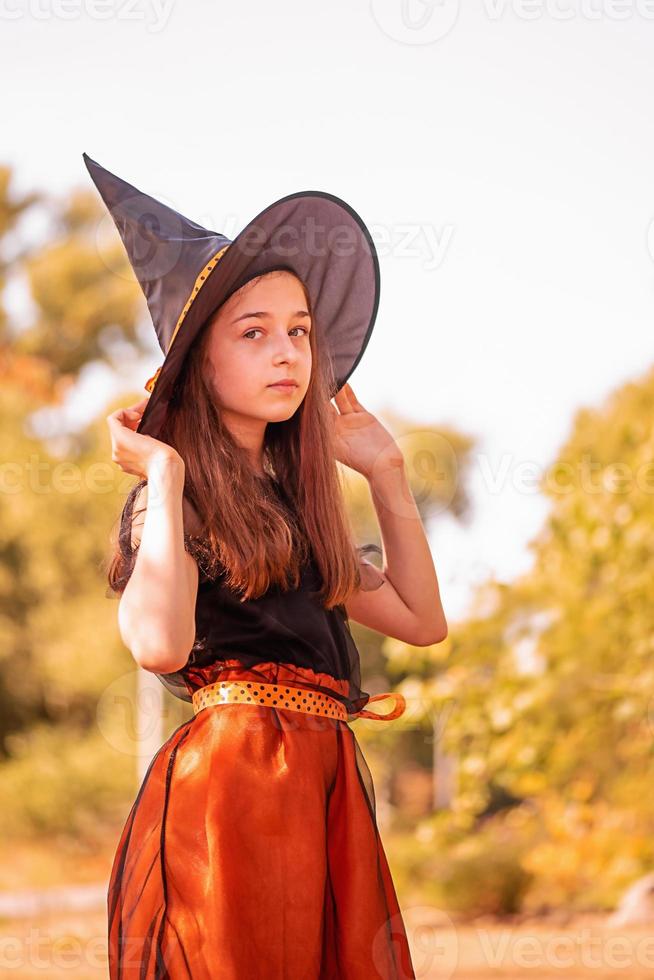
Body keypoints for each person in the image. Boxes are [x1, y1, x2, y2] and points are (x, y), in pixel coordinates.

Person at [89, 153, 447, 978]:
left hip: (324, 774)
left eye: (299, 331)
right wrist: (167, 474)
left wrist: (386, 474)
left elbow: (424, 624)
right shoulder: (171, 501)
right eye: (253, 333)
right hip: (236, 782)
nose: (287, 352)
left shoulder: (300, 508)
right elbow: (158, 646)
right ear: (197, 365)